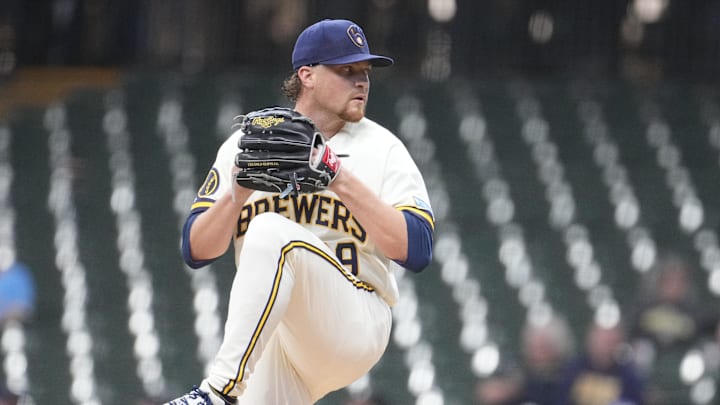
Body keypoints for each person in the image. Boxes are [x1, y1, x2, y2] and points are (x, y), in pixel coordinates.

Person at [165, 18, 435, 405]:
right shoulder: (248, 144)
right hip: (279, 338)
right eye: (347, 70)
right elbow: (196, 251)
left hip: (355, 318)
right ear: (306, 75)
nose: (362, 81)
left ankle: (217, 392)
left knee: (270, 232)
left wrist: (337, 176)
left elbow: (418, 250)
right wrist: (236, 194)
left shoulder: (383, 148)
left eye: (365, 72)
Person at [474, 315, 575, 405]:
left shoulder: (572, 376)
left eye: (542, 348)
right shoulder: (521, 373)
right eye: (532, 347)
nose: (537, 354)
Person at [557, 321, 645, 405]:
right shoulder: (575, 369)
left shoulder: (627, 375)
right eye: (603, 339)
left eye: (611, 340)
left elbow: (634, 400)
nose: (606, 345)